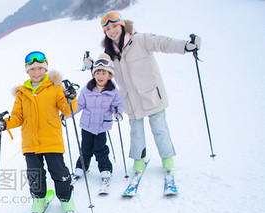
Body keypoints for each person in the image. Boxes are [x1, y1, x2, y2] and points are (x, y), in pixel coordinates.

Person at [86, 10, 201, 189]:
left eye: (115, 26)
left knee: (160, 129)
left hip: (151, 95)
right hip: (131, 100)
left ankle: (167, 159)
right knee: (136, 132)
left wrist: (186, 46)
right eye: (108, 29)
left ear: (123, 25)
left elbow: (164, 43)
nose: (112, 30)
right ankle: (139, 161)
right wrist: (90, 64)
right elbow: (102, 67)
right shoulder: (109, 52)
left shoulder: (140, 40)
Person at [0, 51, 78, 213]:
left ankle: (66, 201)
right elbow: (17, 116)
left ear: (45, 69)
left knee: (60, 172)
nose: (36, 72)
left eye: (40, 68)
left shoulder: (55, 88)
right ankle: (38, 200)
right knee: (35, 175)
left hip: (52, 141)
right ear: (27, 71)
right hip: (30, 144)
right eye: (32, 69)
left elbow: (68, 110)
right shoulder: (22, 93)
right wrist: (5, 123)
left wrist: (71, 97)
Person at [71, 53, 123, 193]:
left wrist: (117, 112)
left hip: (101, 126)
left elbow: (118, 105)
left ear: (110, 76)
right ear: (94, 74)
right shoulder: (87, 89)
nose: (100, 76)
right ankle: (81, 167)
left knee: (100, 149)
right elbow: (79, 105)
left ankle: (105, 169)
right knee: (86, 148)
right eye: (98, 72)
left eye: (104, 73)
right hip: (87, 125)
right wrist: (68, 114)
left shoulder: (113, 92)